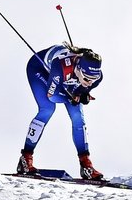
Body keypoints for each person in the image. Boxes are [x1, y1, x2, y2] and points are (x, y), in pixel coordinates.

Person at [16, 42, 104, 180]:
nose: (90, 82)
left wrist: (83, 93)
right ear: (79, 69)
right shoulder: (62, 66)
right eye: (87, 79)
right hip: (40, 70)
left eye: (94, 79)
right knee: (47, 109)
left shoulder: (94, 76)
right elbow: (53, 96)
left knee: (77, 117)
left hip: (65, 78)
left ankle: (86, 165)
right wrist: (73, 97)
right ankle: (25, 159)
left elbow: (84, 87)